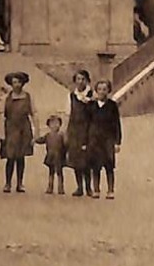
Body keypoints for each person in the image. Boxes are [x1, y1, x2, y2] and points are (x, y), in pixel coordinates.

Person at [86, 79, 122, 200]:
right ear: (96, 91)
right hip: (94, 139)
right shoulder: (91, 106)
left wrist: (117, 142)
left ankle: (110, 190)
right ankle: (96, 189)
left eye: (104, 89)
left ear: (108, 91)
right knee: (95, 165)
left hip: (108, 139)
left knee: (109, 165)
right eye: (100, 89)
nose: (102, 92)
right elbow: (87, 123)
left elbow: (117, 124)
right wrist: (85, 141)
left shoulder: (112, 105)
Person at [2, 72, 36, 193]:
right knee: (10, 157)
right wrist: (1, 133)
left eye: (19, 82)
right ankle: (7, 183)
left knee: (21, 157)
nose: (16, 85)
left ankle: (20, 183)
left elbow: (33, 114)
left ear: (23, 83)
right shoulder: (7, 97)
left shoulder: (28, 97)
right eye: (14, 82)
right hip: (11, 129)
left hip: (24, 129)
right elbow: (2, 115)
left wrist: (36, 132)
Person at [66, 68, 93, 197]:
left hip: (87, 130)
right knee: (76, 160)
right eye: (78, 79)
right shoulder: (72, 96)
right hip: (74, 130)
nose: (80, 82)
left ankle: (89, 187)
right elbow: (69, 114)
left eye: (83, 79)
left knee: (87, 160)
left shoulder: (91, 95)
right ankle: (79, 187)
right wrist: (67, 132)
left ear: (87, 81)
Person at [35, 115, 67, 195]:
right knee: (51, 172)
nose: (55, 125)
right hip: (50, 156)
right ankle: (50, 187)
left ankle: (61, 188)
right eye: (52, 123)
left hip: (59, 156)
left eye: (57, 123)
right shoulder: (48, 135)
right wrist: (35, 140)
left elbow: (66, 144)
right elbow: (41, 140)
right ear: (49, 125)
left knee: (59, 173)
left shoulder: (62, 135)